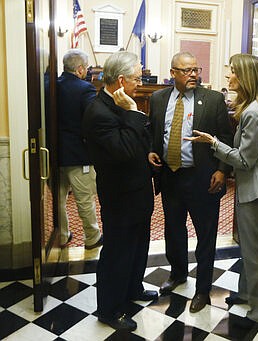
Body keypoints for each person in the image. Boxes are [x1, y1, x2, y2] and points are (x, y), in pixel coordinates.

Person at [186, 53, 258, 324]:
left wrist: (213, 143)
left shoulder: (255, 112)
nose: (228, 76)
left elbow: (244, 159)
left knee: (254, 252)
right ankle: (245, 293)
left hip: (255, 189)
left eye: (232, 72)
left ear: (244, 77)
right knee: (249, 246)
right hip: (256, 186)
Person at [147, 52, 233, 313]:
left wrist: (222, 170)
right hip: (171, 176)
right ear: (173, 73)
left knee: (206, 235)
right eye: (187, 70)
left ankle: (203, 290)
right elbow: (154, 132)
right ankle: (178, 273)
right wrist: (151, 151)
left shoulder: (214, 100)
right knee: (174, 229)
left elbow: (226, 137)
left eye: (196, 69)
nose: (194, 74)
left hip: (203, 178)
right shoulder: (158, 98)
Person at [82, 51, 157, 331]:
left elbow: (141, 140)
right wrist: (133, 113)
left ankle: (133, 289)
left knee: (138, 247)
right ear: (122, 80)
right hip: (121, 197)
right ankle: (110, 309)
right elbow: (125, 151)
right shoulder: (99, 111)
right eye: (137, 78)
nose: (141, 83)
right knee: (118, 253)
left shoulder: (118, 103)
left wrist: (146, 152)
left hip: (138, 192)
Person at [56, 49, 102, 249]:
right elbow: (92, 120)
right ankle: (92, 237)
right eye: (87, 67)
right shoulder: (85, 89)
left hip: (53, 153)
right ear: (81, 68)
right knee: (84, 199)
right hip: (78, 154)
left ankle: (63, 234)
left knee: (58, 199)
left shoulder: (49, 85)